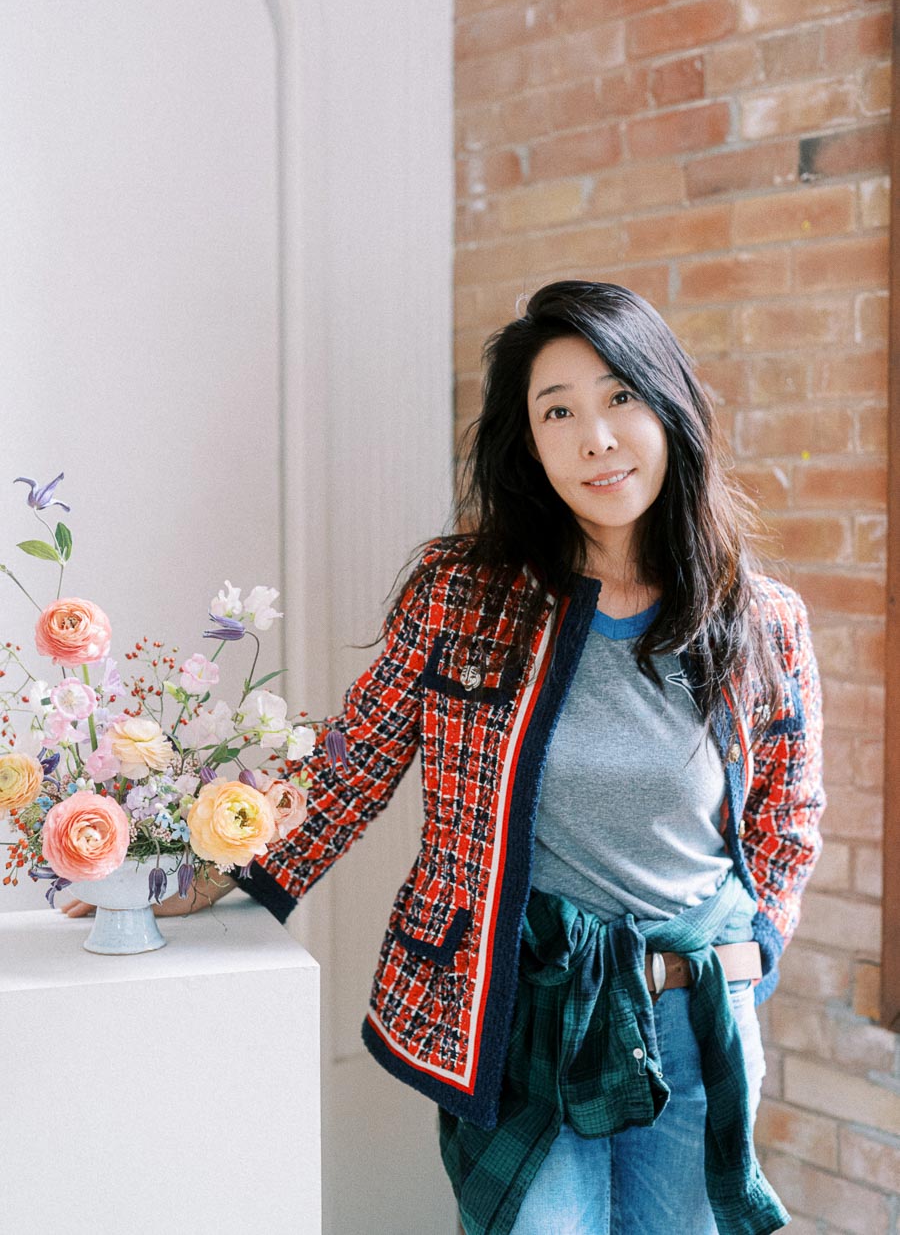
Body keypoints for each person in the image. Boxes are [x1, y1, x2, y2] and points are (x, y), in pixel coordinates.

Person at [61, 281, 824, 1235]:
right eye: (560, 412)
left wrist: (761, 946)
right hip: (518, 1007)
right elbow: (352, 760)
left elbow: (788, 813)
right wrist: (202, 870)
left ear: (668, 404)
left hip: (693, 1004)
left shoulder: (760, 620)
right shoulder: (464, 594)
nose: (596, 437)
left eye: (620, 395)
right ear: (529, 443)